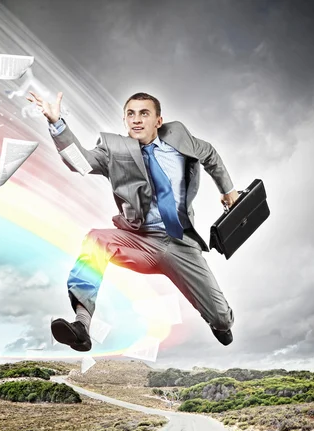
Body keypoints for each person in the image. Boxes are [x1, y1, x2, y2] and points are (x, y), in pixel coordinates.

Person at [27, 90, 239, 352]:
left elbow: (210, 155)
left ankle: (220, 322)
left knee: (220, 317)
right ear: (124, 119)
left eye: (144, 113)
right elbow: (79, 162)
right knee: (96, 240)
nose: (136, 120)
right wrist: (57, 123)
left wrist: (228, 190)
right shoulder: (113, 150)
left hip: (182, 243)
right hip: (141, 241)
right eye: (130, 114)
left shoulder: (180, 138)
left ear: (158, 121)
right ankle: (82, 326)